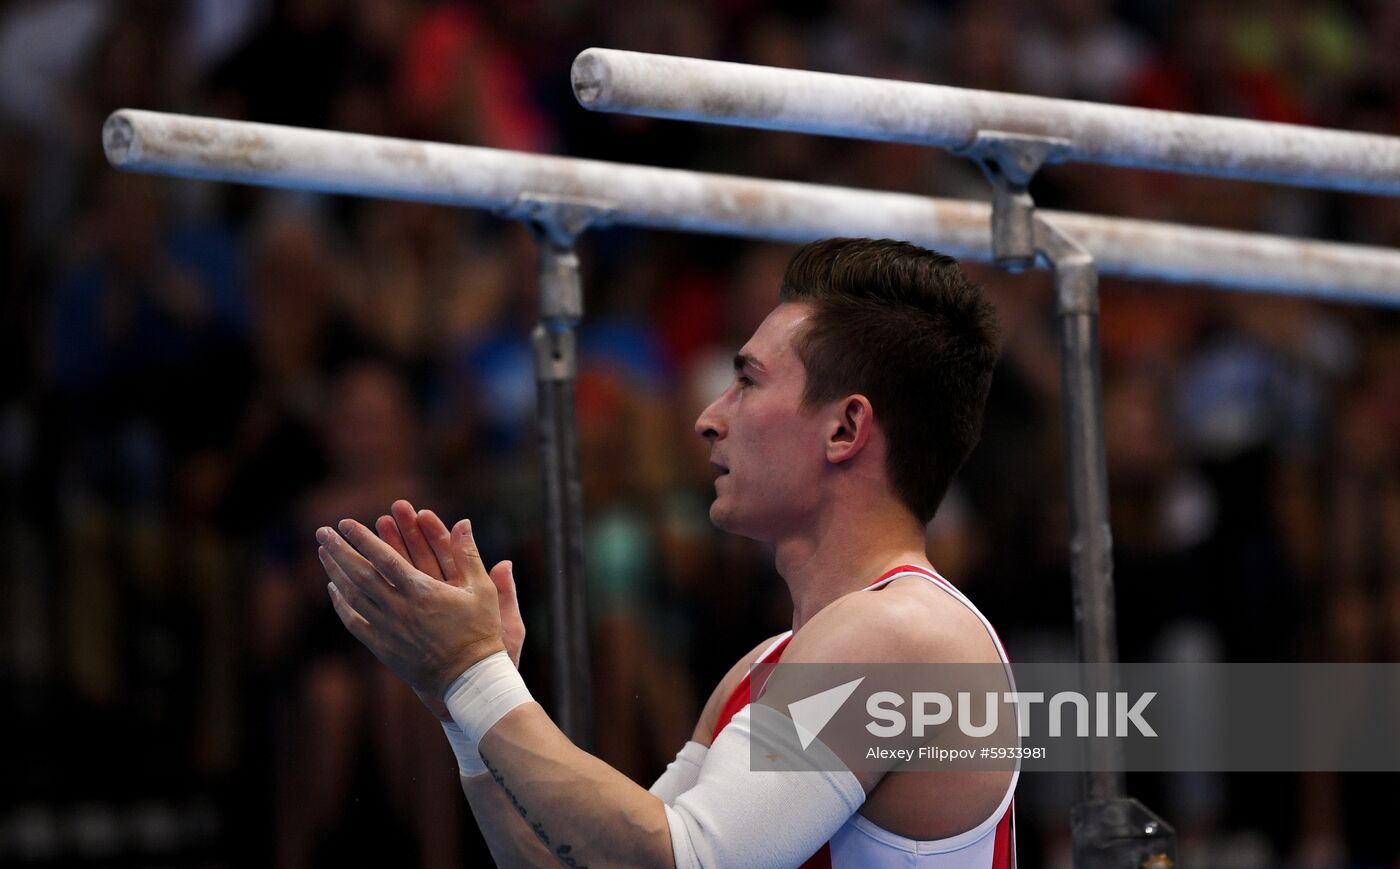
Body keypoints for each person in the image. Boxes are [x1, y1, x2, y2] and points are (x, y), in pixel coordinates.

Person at [315, 237, 1017, 867]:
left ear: (844, 428)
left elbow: (685, 859)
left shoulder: (903, 634)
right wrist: (463, 707)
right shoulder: (766, 665)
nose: (708, 419)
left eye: (747, 381)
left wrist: (475, 674)